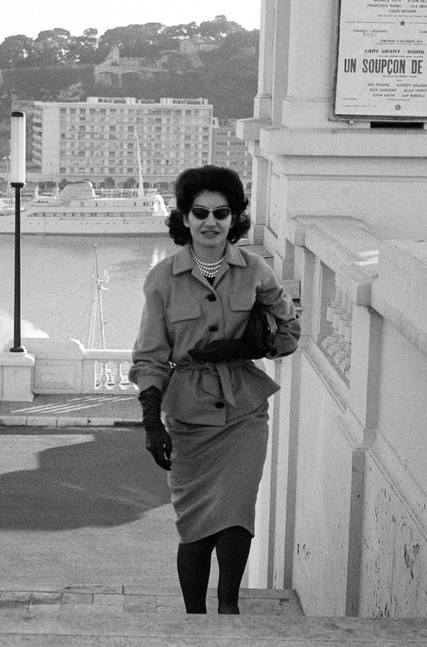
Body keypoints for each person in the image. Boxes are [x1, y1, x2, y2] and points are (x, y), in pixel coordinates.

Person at [129, 165, 300, 615]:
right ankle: (194, 620)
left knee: (236, 514)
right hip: (188, 414)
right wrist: (151, 421)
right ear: (184, 218)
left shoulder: (255, 270)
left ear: (234, 217)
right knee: (195, 526)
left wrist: (248, 343)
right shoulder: (162, 280)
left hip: (244, 411)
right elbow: (149, 356)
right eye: (200, 212)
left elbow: (289, 333)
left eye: (221, 212)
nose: (211, 222)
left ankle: (228, 612)